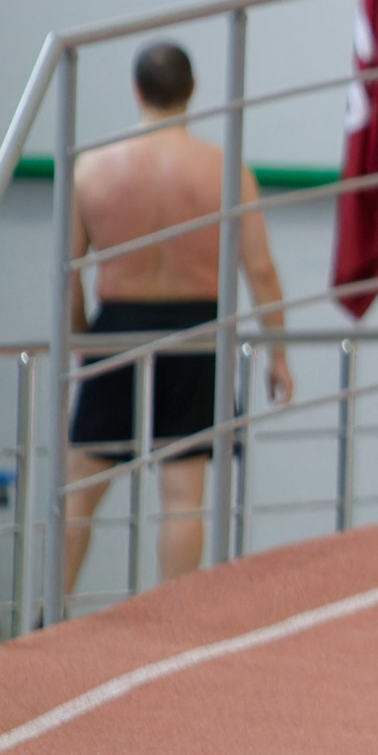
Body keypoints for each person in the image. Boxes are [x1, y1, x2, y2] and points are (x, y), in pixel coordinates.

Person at [65, 41, 295, 596]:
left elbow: (67, 272)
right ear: (191, 91)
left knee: (78, 491)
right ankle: (170, 621)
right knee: (182, 496)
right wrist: (278, 352)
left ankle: (47, 618)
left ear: (136, 89)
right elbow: (260, 270)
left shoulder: (93, 169)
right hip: (197, 329)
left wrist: (81, 337)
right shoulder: (224, 170)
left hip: (118, 324)